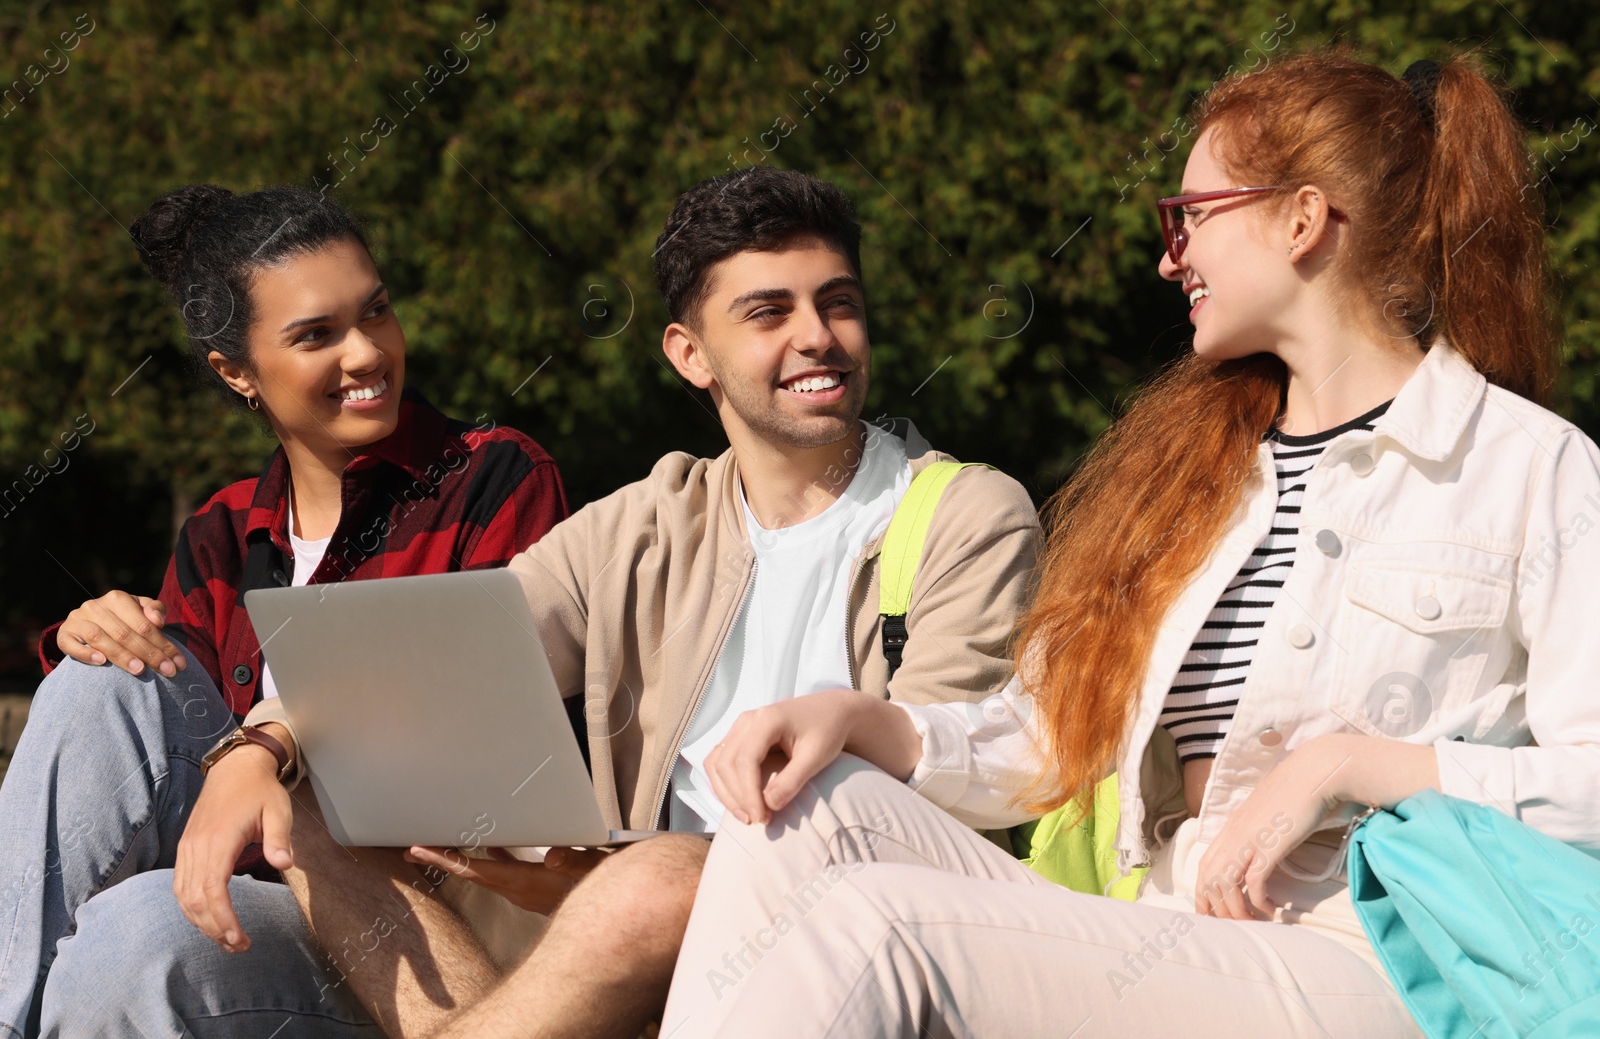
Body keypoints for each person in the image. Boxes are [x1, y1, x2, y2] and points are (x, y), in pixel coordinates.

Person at [658, 50, 1600, 1037]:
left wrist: (1349, 764)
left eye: (1189, 215)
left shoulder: (1528, 469)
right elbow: (1052, 736)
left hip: (1364, 958)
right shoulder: (1198, 473)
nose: (1169, 255)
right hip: (1167, 928)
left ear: (1301, 218)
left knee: (871, 926)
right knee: (796, 818)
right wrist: (864, 721)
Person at [239, 166, 1043, 1038]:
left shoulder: (966, 512)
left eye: (838, 302)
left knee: (656, 880)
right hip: (622, 930)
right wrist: (257, 743)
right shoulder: (645, 521)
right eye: (770, 313)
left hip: (835, 930)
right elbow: (432, 662)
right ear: (689, 353)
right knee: (313, 800)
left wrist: (619, 887)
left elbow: (931, 806)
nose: (819, 336)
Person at [0, 183, 569, 1038]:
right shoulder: (222, 534)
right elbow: (144, 740)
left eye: (375, 312)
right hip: (249, 900)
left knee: (137, 936)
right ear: (236, 372)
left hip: (403, 913)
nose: (368, 352)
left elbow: (477, 700)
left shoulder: (493, 476)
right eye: (317, 335)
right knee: (101, 689)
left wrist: (272, 742)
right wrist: (91, 635)